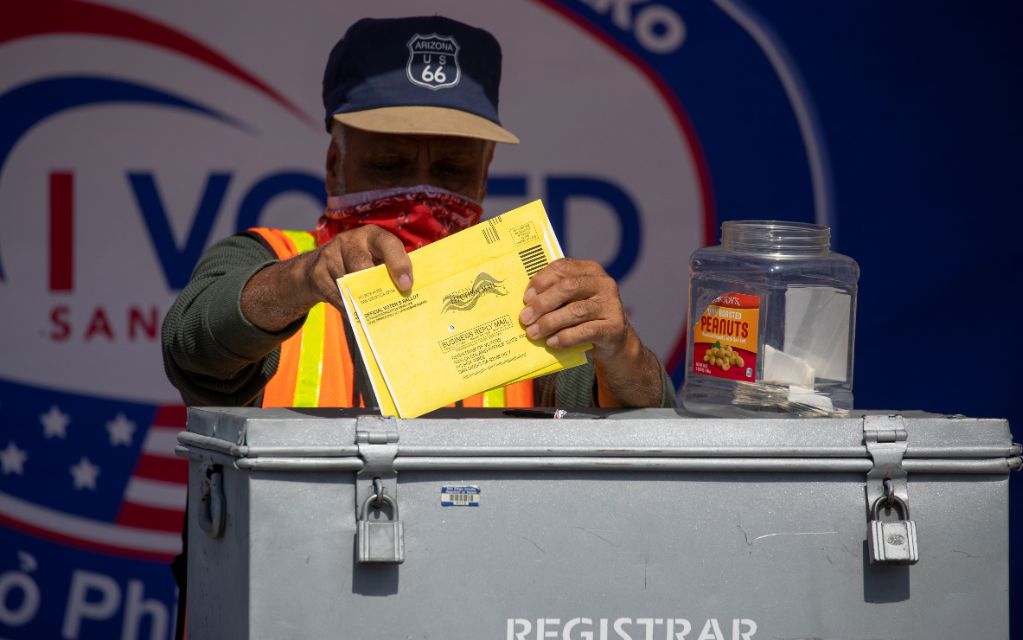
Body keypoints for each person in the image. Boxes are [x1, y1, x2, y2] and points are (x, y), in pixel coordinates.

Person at [161, 15, 675, 412]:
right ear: (335, 164)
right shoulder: (270, 258)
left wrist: (621, 351)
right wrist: (302, 279)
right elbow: (194, 349)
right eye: (388, 164)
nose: (422, 192)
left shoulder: (530, 291)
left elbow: (632, 438)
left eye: (452, 168)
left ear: (485, 172)